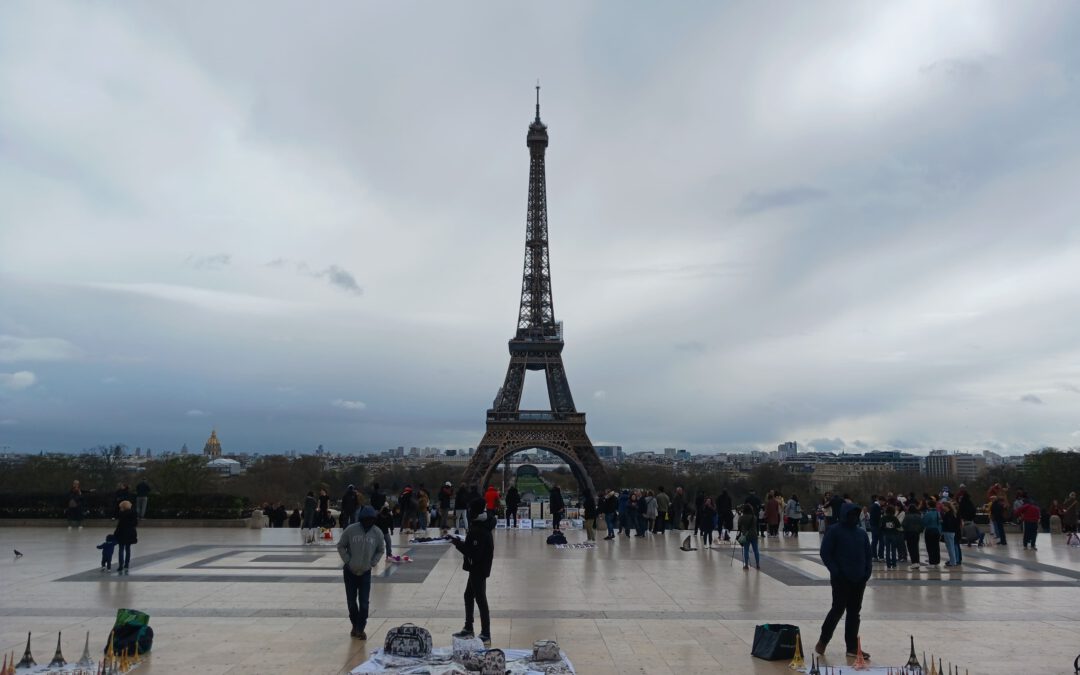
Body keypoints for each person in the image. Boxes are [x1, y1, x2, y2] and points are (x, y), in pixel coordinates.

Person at [815, 503, 872, 661]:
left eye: (855, 514)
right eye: (851, 514)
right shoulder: (834, 531)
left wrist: (867, 572)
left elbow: (868, 554)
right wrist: (836, 571)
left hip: (859, 579)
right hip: (841, 579)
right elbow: (825, 553)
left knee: (854, 613)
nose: (853, 517)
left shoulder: (861, 533)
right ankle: (824, 640)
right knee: (837, 610)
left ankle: (852, 647)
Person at [450, 498, 495, 646]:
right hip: (479, 567)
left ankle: (485, 633)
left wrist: (458, 544)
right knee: (469, 595)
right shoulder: (482, 525)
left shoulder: (478, 530)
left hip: (478, 568)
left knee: (480, 599)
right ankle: (469, 627)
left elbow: (474, 553)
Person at [337, 505, 385, 640]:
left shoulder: (377, 533)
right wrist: (347, 560)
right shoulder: (351, 530)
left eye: (371, 520)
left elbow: (381, 549)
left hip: (365, 572)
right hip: (350, 572)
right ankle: (355, 625)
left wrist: (372, 562)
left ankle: (361, 628)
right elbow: (341, 545)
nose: (368, 523)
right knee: (352, 602)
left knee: (364, 603)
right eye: (366, 520)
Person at [114, 500, 138, 574]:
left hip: (122, 533)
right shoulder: (134, 513)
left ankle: (121, 565)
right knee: (128, 549)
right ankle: (127, 565)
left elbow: (119, 525)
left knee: (121, 549)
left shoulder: (121, 514)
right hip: (130, 533)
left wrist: (115, 534)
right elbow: (135, 523)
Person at [737, 504, 760, 569]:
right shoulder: (754, 517)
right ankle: (757, 564)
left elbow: (739, 525)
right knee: (756, 550)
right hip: (754, 535)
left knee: (746, 550)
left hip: (745, 535)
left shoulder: (742, 517)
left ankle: (746, 565)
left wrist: (740, 515)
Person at [902, 503, 924, 570]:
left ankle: (914, 562)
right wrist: (919, 531)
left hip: (909, 533)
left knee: (911, 548)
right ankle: (917, 561)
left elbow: (904, 524)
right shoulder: (918, 516)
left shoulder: (907, 516)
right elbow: (922, 525)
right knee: (916, 547)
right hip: (916, 533)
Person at [879, 505, 901, 569]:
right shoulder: (894, 518)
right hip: (894, 535)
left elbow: (880, 527)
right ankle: (894, 564)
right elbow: (899, 526)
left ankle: (888, 564)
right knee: (893, 550)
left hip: (886, 535)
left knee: (887, 550)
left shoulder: (883, 518)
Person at [922, 499, 942, 566]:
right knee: (936, 546)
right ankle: (937, 561)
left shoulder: (928, 513)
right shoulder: (938, 513)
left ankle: (932, 561)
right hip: (936, 531)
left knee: (930, 547)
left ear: (929, 505)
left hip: (929, 531)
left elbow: (924, 522)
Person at [941, 501, 961, 567]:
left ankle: (952, 562)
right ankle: (953, 561)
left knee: (950, 548)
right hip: (952, 532)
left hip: (948, 532)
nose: (942, 507)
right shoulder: (952, 513)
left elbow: (949, 523)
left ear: (947, 507)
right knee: (951, 547)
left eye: (943, 506)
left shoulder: (948, 514)